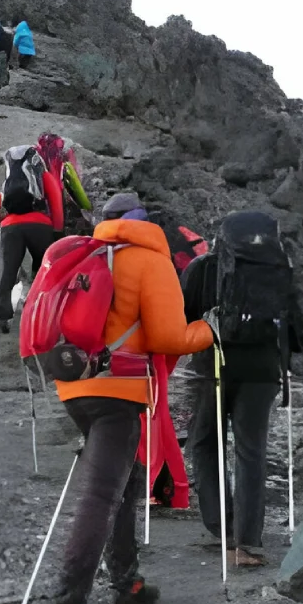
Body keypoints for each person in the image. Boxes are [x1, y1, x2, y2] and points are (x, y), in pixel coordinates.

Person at [47, 196, 214, 604]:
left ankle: (127, 586)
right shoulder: (149, 261)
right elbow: (167, 336)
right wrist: (209, 330)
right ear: (144, 224)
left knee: (126, 479)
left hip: (73, 383)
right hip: (118, 390)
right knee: (102, 495)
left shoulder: (85, 252)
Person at [181, 211, 303, 569]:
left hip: (213, 367)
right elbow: (300, 332)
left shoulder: (203, 268)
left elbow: (181, 317)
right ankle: (248, 544)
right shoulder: (280, 270)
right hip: (264, 372)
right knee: (251, 452)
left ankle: (222, 528)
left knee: (206, 444)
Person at [97, 193, 192, 512]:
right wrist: (202, 334)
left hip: (101, 355)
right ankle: (160, 490)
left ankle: (162, 490)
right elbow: (167, 332)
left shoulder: (96, 252)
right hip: (144, 356)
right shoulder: (152, 260)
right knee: (155, 418)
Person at [0, 144, 65, 333]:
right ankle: (41, 311)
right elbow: (55, 201)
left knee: (9, 270)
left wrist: (0, 222)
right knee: (43, 269)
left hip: (10, 227)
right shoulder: (42, 175)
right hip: (39, 226)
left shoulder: (10, 179)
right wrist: (58, 230)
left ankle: (2, 316)